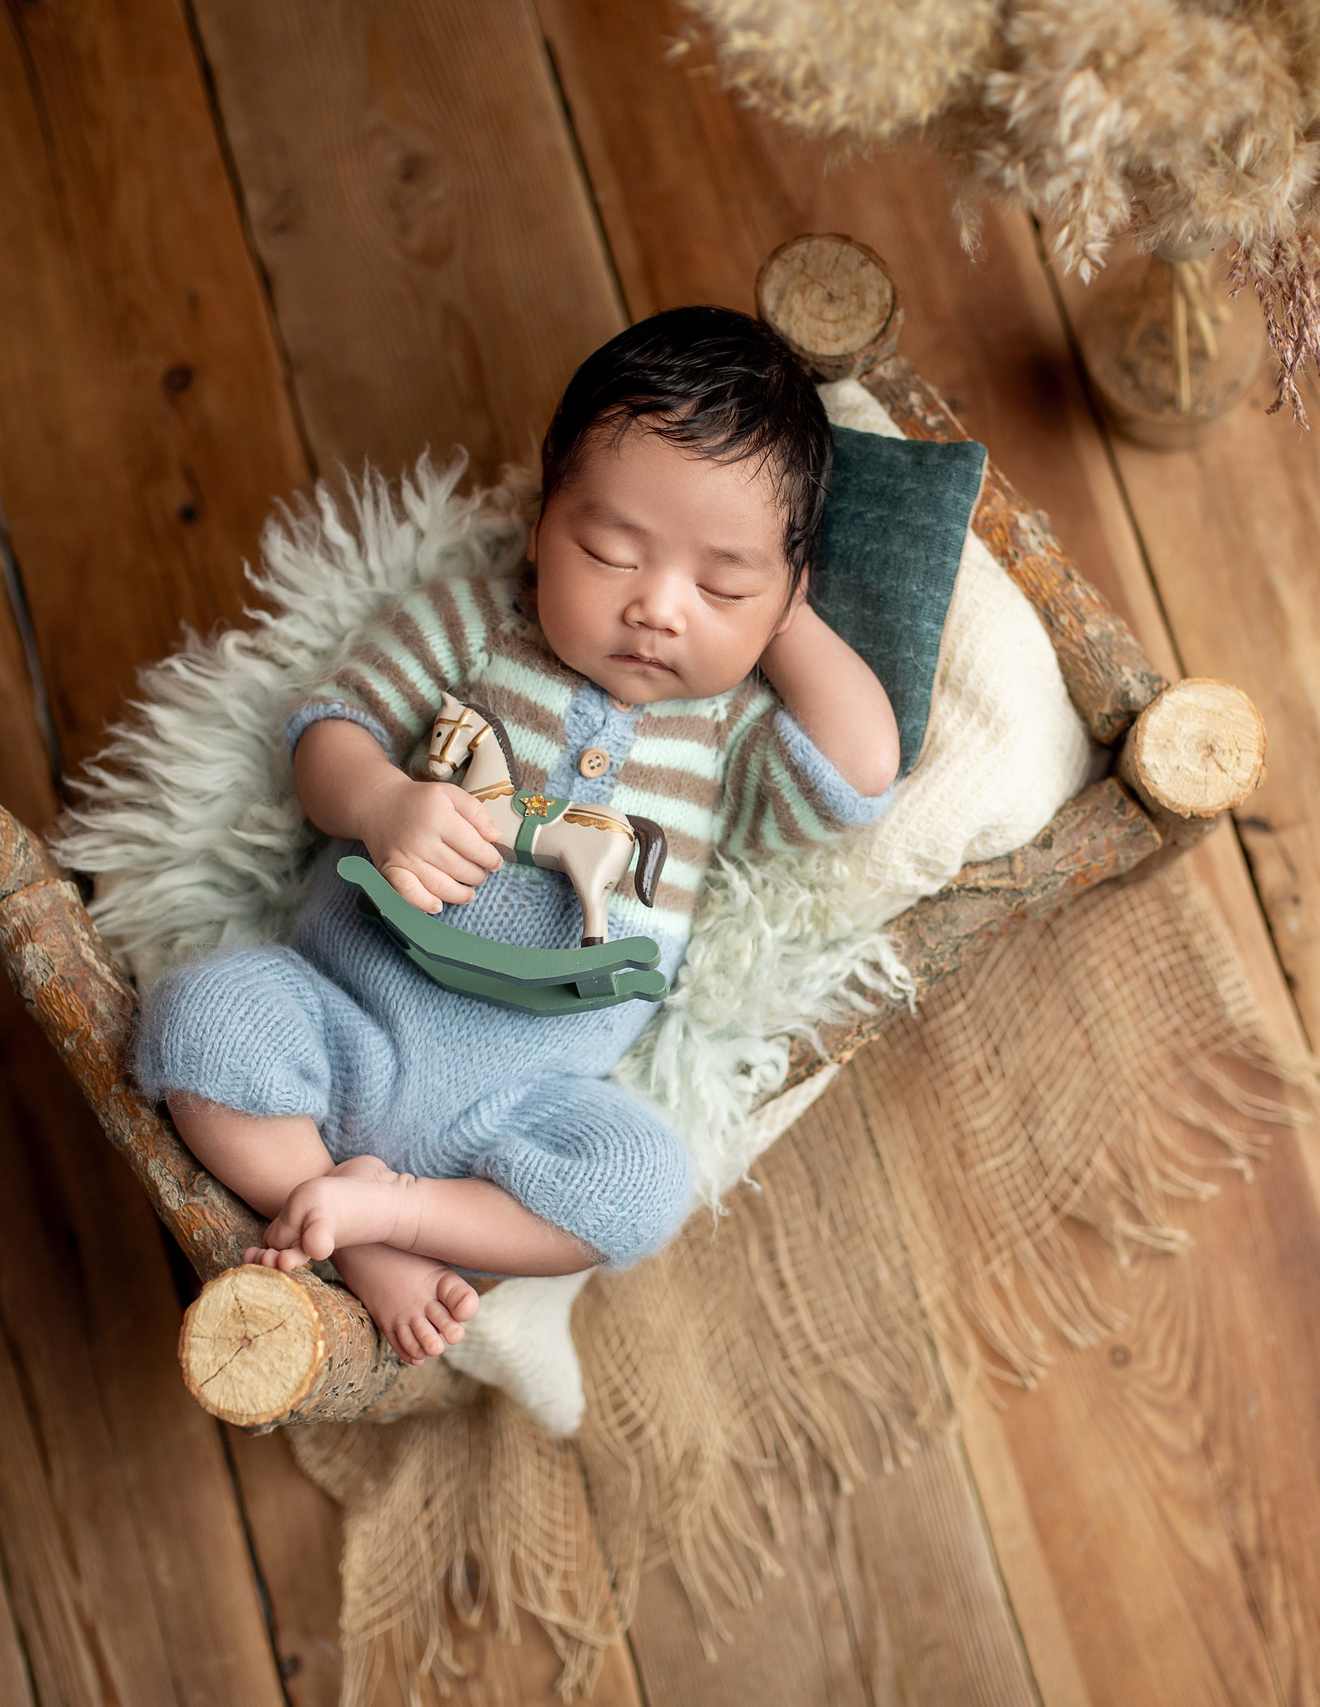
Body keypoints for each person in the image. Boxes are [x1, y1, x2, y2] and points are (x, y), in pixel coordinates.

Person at [136, 307, 899, 1363]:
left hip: (517, 1109)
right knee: (200, 1021)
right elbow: (327, 731)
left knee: (641, 1191)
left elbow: (860, 771)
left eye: (722, 583)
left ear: (779, 593)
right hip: (343, 1012)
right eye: (610, 552)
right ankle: (357, 1236)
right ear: (543, 524)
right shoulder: (471, 627)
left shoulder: (724, 736)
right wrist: (378, 802)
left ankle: (394, 1211)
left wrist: (783, 615)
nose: (659, 609)